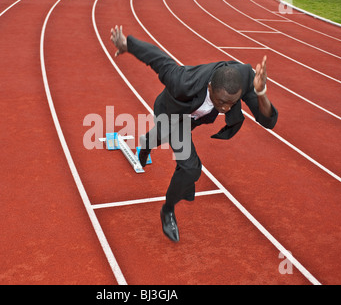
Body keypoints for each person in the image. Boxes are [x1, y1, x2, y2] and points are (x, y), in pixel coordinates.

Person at [110, 25, 278, 242]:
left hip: (195, 117)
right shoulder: (182, 81)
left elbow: (268, 120)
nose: (226, 109)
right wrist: (127, 44)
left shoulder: (244, 79)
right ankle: (168, 210)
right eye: (221, 102)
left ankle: (146, 143)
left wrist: (261, 92)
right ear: (209, 88)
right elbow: (159, 59)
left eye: (231, 103)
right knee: (190, 168)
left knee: (163, 138)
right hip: (172, 112)